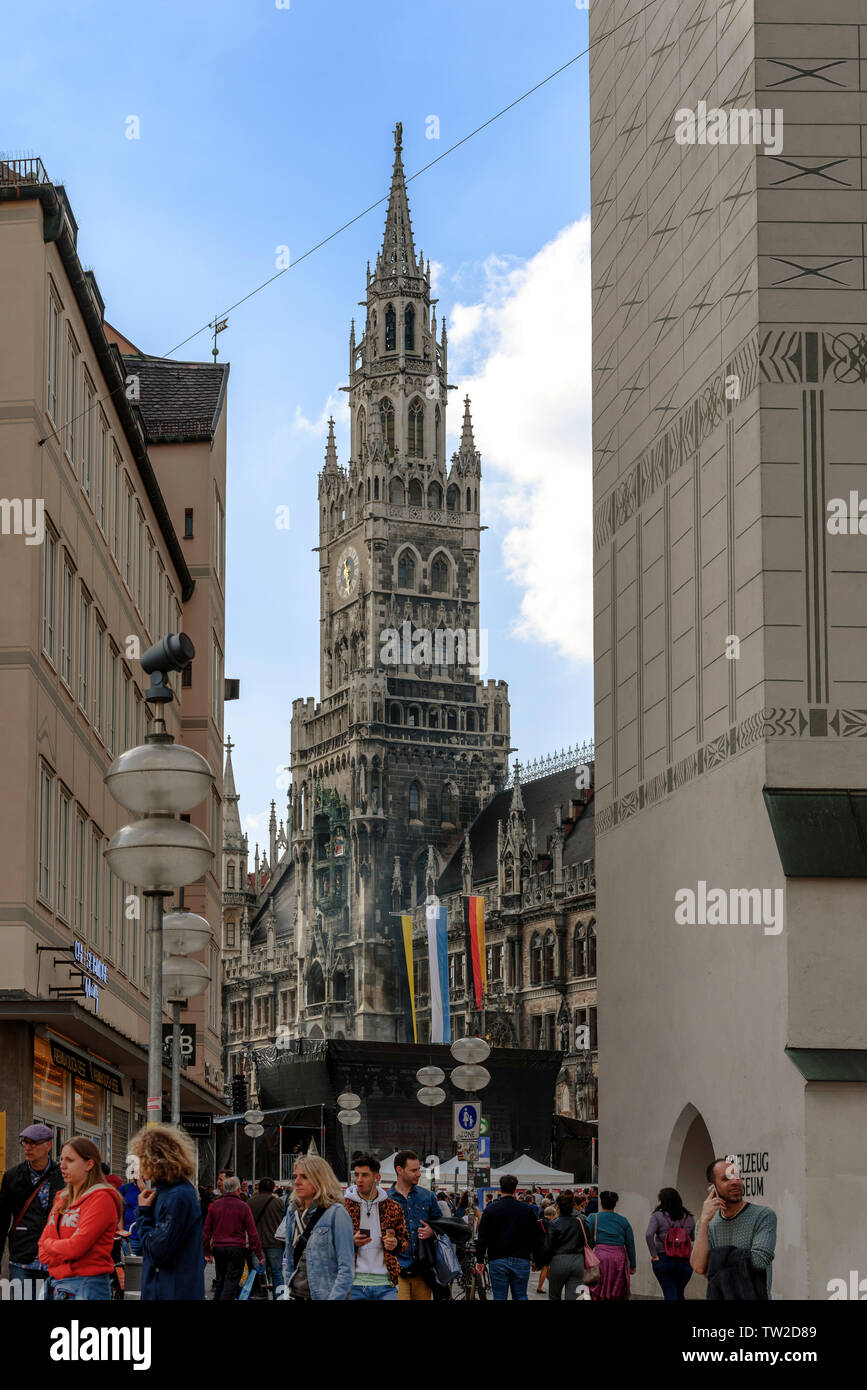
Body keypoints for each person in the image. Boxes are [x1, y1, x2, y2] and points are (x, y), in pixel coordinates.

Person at [37, 1137, 122, 1300]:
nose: (62, 1165)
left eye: (70, 1160)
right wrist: (61, 1250)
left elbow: (75, 1247)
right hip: (56, 1285)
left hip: (87, 1286)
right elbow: (42, 1250)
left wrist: (51, 1245)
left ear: (89, 1164)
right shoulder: (62, 1197)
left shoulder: (102, 1198)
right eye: (61, 1159)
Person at [129, 1124, 206, 1301]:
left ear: (153, 1159)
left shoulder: (177, 1196)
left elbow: (158, 1250)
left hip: (172, 1290)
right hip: (168, 1288)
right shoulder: (171, 1193)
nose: (137, 1166)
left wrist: (143, 1213)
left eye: (139, 1159)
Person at [691, 1158, 777, 1299]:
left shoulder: (763, 1215)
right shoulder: (706, 1224)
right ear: (712, 1188)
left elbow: (759, 1260)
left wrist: (716, 1258)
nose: (735, 1182)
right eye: (726, 1179)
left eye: (737, 1176)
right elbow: (700, 1267)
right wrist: (704, 1221)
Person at [0, 1123, 64, 1297]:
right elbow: (3, 1218)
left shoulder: (61, 1175)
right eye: (25, 1142)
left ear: (49, 1145)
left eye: (33, 1143)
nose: (27, 1147)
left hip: (55, 1260)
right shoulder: (13, 1176)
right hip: (23, 1259)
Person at [281, 1155, 354, 1301]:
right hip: (295, 1295)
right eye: (295, 1176)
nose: (297, 1182)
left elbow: (346, 1268)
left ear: (320, 1179)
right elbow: (289, 1260)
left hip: (323, 1295)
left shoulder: (336, 1213)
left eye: (304, 1177)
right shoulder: (292, 1211)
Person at [344, 1154, 408, 1300]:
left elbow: (405, 1241)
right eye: (357, 1174)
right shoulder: (343, 1206)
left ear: (377, 1177)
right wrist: (351, 1242)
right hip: (353, 1283)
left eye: (365, 1175)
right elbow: (332, 1242)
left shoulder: (393, 1207)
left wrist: (396, 1243)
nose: (359, 1179)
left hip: (385, 1284)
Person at [475, 1173, 545, 1301]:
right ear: (516, 1189)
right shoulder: (527, 1210)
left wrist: (480, 1259)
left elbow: (482, 1237)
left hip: (497, 1258)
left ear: (500, 1189)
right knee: (521, 1296)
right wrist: (537, 1259)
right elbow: (536, 1236)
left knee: (499, 1297)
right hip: (521, 1258)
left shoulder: (490, 1210)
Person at [388, 1149, 442, 1300]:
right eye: (414, 1170)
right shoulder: (385, 1200)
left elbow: (440, 1225)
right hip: (397, 1269)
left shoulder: (428, 1196)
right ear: (399, 1170)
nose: (419, 1173)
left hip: (423, 1269)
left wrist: (432, 1230)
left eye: (418, 1169)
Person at [203, 1175, 263, 1300]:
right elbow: (252, 1233)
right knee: (231, 1280)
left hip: (218, 1247)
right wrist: (259, 1254)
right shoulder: (243, 1206)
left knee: (223, 1278)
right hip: (237, 1247)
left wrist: (206, 1251)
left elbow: (206, 1231)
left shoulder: (215, 1205)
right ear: (238, 1189)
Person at [646, 1187, 696, 1301]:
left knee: (670, 1293)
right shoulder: (689, 1217)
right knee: (679, 1293)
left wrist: (654, 1255)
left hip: (664, 1259)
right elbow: (693, 1237)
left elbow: (649, 1234)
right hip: (685, 1261)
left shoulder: (657, 1216)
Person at [544, 1190, 595, 1301]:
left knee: (554, 1296)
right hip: (577, 1261)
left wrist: (545, 1264)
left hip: (558, 1260)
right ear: (573, 1204)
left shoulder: (553, 1224)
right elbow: (591, 1242)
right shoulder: (580, 1222)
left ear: (557, 1206)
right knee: (574, 1296)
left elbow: (547, 1247)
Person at [588, 1191, 636, 1300]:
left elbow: (586, 1240)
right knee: (617, 1290)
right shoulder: (623, 1221)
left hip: (600, 1257)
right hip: (619, 1258)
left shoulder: (593, 1218)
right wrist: (632, 1265)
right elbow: (630, 1244)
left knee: (598, 1288)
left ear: (601, 1202)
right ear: (615, 1204)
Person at [248, 1176, 286, 1299]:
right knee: (277, 1273)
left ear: (259, 1188)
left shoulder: (251, 1202)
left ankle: (260, 1296)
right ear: (273, 1188)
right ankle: (279, 1297)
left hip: (256, 1244)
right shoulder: (279, 1202)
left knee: (258, 1274)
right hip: (275, 1243)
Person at [119, 1172, 144, 1255]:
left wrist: (143, 1189)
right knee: (131, 1266)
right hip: (130, 1237)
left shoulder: (153, 1189)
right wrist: (122, 1234)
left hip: (147, 1238)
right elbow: (119, 1213)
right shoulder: (125, 1189)